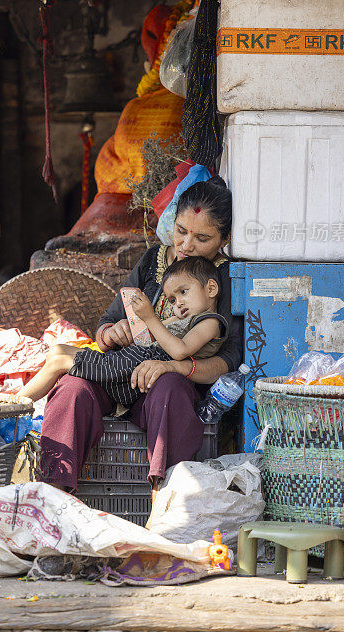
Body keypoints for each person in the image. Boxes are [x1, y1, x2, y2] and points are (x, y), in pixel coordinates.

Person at [38, 176, 243, 492]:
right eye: (181, 231)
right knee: (72, 388)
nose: (187, 245)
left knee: (170, 388)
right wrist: (111, 333)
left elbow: (228, 360)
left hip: (169, 389)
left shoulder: (224, 279)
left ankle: (165, 501)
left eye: (202, 238)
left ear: (224, 239)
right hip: (121, 374)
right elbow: (108, 320)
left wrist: (173, 366)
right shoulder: (153, 261)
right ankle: (53, 493)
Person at [19, 256, 229, 407]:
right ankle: (12, 403)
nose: (178, 302)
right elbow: (150, 333)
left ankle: (13, 407)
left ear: (211, 289)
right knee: (57, 351)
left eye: (184, 292)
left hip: (135, 372)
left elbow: (180, 351)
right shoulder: (184, 317)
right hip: (131, 360)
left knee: (59, 361)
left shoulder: (210, 322)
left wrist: (150, 317)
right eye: (172, 300)